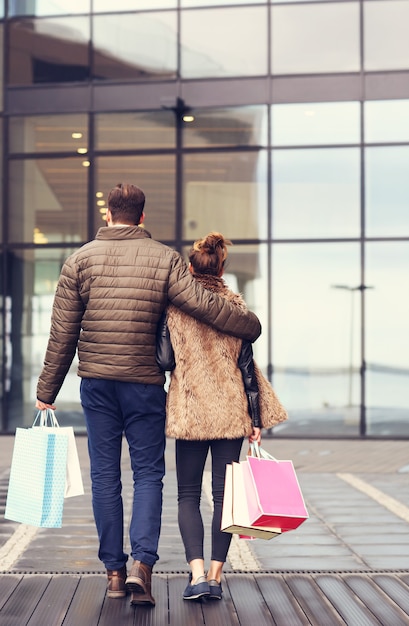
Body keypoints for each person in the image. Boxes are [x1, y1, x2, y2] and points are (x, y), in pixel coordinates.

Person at [35, 183, 262, 608]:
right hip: (143, 385)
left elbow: (62, 333)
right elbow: (200, 304)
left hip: (97, 384)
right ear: (142, 217)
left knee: (105, 475)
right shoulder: (165, 259)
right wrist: (249, 324)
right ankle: (143, 565)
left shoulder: (78, 261)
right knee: (148, 475)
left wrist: (47, 391)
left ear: (108, 214)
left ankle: (115, 574)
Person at [156, 232, 287, 602]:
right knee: (224, 496)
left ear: (189, 268)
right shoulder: (235, 310)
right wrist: (256, 418)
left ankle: (195, 574)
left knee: (186, 495)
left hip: (192, 411)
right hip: (230, 412)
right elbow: (247, 369)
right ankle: (215, 577)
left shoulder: (175, 308)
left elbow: (165, 361)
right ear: (222, 267)